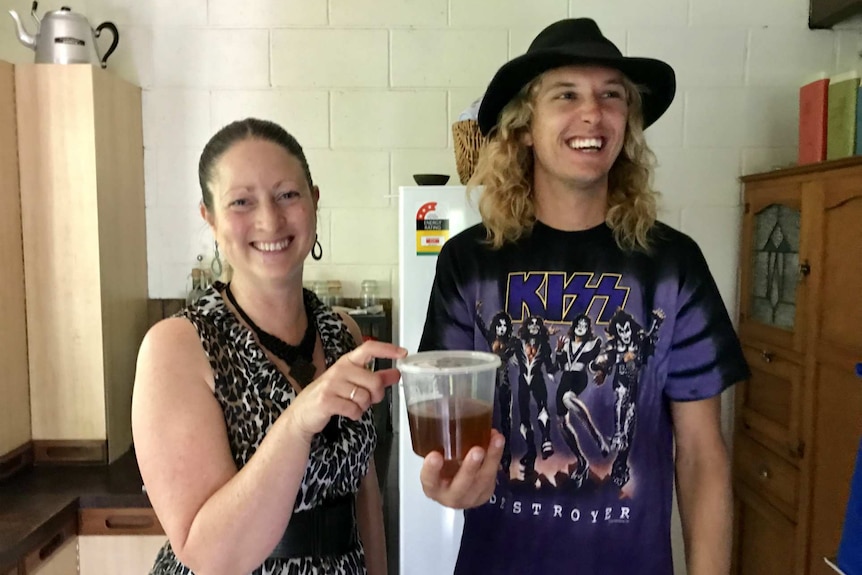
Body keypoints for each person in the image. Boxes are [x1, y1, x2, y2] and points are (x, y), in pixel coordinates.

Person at [417, 18, 750, 575]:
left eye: (611, 96)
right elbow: (445, 430)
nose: (592, 113)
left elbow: (701, 455)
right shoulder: (468, 263)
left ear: (627, 123)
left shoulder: (672, 265)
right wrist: (449, 483)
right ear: (525, 127)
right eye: (566, 95)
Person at [132, 118, 406, 575]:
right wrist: (298, 422)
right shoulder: (178, 347)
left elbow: (364, 496)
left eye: (287, 195)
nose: (270, 220)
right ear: (211, 219)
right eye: (241, 201)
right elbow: (210, 557)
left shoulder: (344, 333)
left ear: (314, 203)